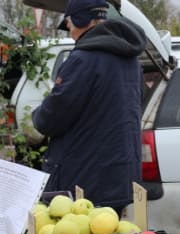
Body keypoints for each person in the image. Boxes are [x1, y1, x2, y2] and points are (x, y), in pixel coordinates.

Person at [31, 0, 146, 218]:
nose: (71, 32)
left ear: (80, 20)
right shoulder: (131, 59)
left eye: (69, 24)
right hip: (121, 174)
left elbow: (51, 118)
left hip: (85, 179)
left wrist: (36, 114)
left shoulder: (83, 59)